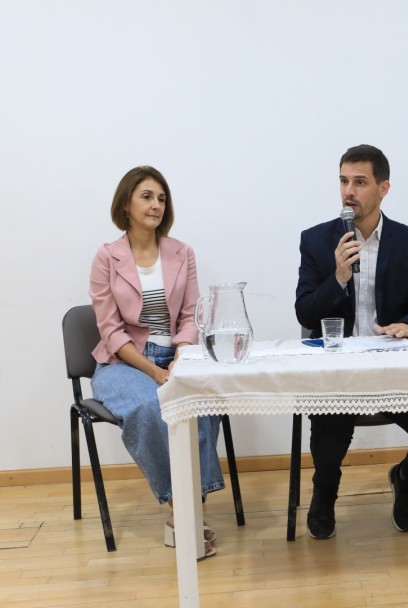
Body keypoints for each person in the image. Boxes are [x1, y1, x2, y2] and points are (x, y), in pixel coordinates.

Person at [294, 144, 408, 539]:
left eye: (360, 182)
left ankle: (405, 480)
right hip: (339, 372)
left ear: (383, 188)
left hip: (392, 366)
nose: (349, 191)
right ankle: (324, 491)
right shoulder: (317, 241)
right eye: (344, 181)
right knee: (329, 443)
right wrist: (338, 278)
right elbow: (304, 314)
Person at [90, 166, 224, 557]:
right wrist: (154, 372)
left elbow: (191, 315)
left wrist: (180, 357)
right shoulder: (107, 257)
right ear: (126, 204)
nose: (156, 205)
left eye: (161, 198)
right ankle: (181, 513)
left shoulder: (183, 252)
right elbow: (111, 330)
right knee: (151, 407)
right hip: (124, 363)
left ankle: (186, 513)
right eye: (147, 196)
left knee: (200, 404)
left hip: (178, 356)